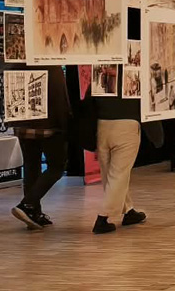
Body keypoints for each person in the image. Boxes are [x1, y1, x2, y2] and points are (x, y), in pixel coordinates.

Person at [89, 86, 164, 234]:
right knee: (118, 174)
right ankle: (102, 218)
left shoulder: (102, 74)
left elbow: (88, 101)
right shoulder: (135, 76)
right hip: (127, 126)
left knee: (108, 173)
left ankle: (128, 211)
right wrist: (157, 137)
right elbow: (147, 103)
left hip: (102, 125)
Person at [12, 65, 71, 230]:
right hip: (49, 127)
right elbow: (60, 100)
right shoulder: (53, 68)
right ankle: (28, 205)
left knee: (31, 167)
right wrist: (66, 126)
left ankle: (33, 214)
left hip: (23, 126)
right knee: (57, 167)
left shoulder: (16, 66)